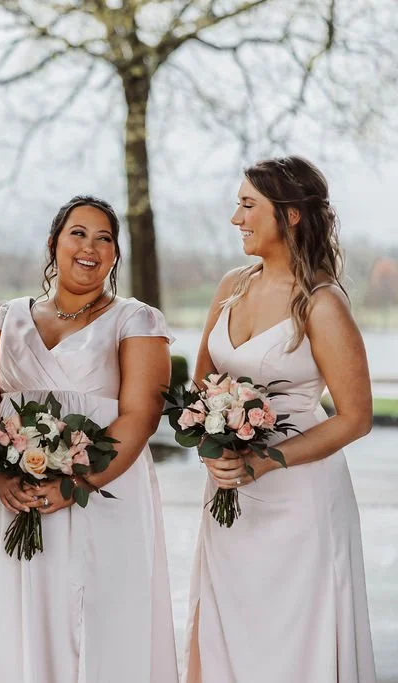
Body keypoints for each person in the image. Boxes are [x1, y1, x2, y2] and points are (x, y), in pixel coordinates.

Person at [0, 195, 179, 682]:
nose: (91, 247)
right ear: (53, 244)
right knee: (27, 609)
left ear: (116, 254)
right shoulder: (6, 315)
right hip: (18, 495)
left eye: (105, 238)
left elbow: (142, 415)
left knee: (103, 612)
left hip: (103, 492)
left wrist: (73, 486)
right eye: (78, 234)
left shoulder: (136, 319)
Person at [184, 156, 376, 682]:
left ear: (290, 214)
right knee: (230, 625)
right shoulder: (232, 286)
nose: (235, 218)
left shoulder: (320, 303)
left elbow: (356, 417)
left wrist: (264, 462)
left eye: (248, 205)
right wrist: (215, 442)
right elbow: (204, 381)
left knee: (291, 637)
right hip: (229, 490)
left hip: (298, 497)